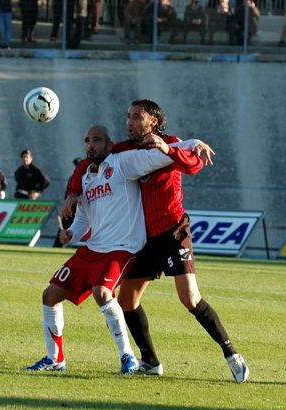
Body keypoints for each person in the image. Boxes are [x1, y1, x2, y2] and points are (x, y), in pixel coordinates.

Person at [64, 99, 248, 384]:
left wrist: (170, 149)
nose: (130, 122)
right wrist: (73, 192)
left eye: (137, 117)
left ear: (154, 121)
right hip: (143, 238)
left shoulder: (171, 142)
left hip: (173, 231)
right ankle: (150, 361)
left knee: (189, 298)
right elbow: (88, 164)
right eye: (128, 117)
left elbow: (195, 163)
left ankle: (231, 353)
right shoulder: (124, 149)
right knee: (126, 300)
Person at [26, 125, 204, 374]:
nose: (91, 145)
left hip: (123, 248)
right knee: (50, 295)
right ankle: (55, 358)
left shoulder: (122, 162)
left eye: (97, 140)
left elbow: (158, 154)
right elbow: (84, 221)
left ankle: (128, 357)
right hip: (93, 249)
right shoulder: (87, 177)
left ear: (110, 144)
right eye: (87, 141)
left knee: (102, 293)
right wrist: (70, 235)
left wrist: (191, 142)